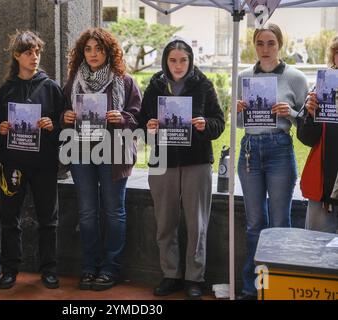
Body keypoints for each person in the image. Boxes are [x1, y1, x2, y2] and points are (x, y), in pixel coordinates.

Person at [140, 37, 225, 299]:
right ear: (166, 61)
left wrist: (204, 125)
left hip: (196, 162)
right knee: (165, 222)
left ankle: (194, 278)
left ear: (190, 61)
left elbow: (218, 123)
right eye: (173, 60)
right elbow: (142, 123)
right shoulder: (155, 85)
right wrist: (149, 127)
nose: (178, 65)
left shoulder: (203, 84)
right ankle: (171, 274)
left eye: (183, 60)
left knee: (196, 222)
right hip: (162, 162)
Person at [62, 28, 141, 291]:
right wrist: (66, 116)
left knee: (113, 212)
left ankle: (110, 269)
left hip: (113, 153)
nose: (93, 54)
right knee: (86, 213)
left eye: (99, 49)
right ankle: (89, 266)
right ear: (81, 53)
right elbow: (62, 110)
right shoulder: (73, 81)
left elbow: (138, 116)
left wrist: (123, 118)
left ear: (109, 52)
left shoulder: (124, 81)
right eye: (88, 49)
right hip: (81, 152)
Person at [236, 23, 309, 300]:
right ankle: (253, 287)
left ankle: (278, 287)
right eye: (260, 43)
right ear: (254, 46)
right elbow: (241, 123)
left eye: (271, 43)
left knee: (280, 222)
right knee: (254, 223)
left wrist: (290, 111)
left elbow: (307, 121)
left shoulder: (295, 77)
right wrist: (240, 111)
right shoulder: (245, 76)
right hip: (250, 150)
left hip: (279, 148)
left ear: (280, 45)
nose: (265, 49)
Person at [0, 30, 65, 289]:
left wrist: (52, 126)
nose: (34, 57)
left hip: (44, 165)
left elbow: (63, 130)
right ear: (17, 56)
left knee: (48, 219)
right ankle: (9, 269)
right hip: (12, 164)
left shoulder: (51, 88)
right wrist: (0, 130)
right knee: (9, 218)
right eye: (28, 52)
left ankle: (48, 269)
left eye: (37, 52)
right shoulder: (6, 89)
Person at [297, 35, 338, 234]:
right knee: (316, 252)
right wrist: (311, 115)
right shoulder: (322, 87)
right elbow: (305, 137)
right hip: (325, 186)